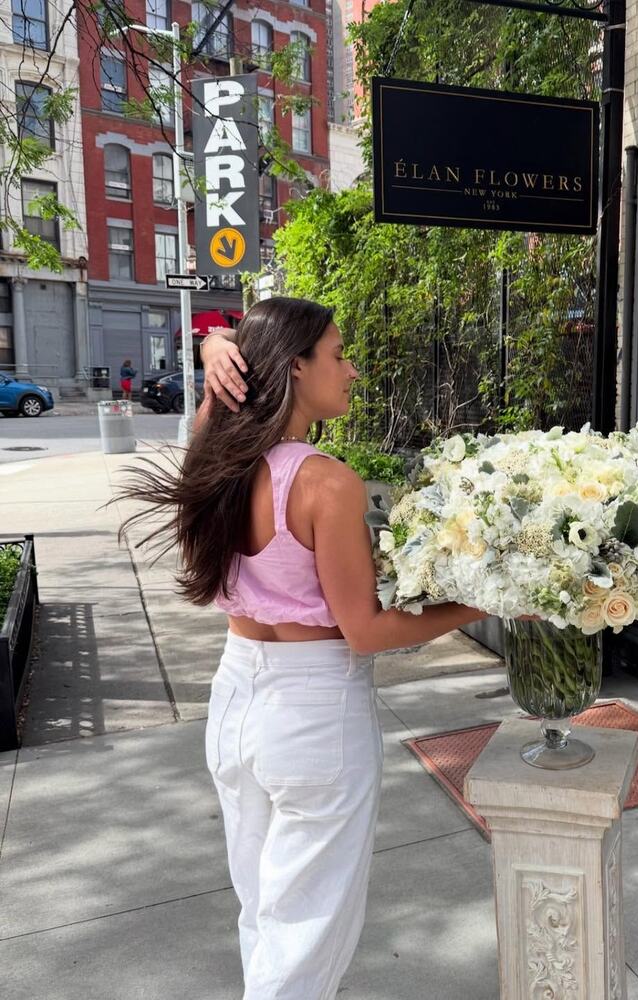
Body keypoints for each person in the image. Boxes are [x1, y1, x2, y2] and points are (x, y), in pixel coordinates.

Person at [118, 297, 525, 998]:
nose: (354, 370)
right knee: (306, 929)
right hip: (312, 715)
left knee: (267, 913)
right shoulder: (325, 483)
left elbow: (221, 375)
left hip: (237, 697)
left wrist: (216, 344)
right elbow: (365, 630)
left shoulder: (215, 449)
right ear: (295, 366)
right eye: (338, 355)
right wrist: (484, 602)